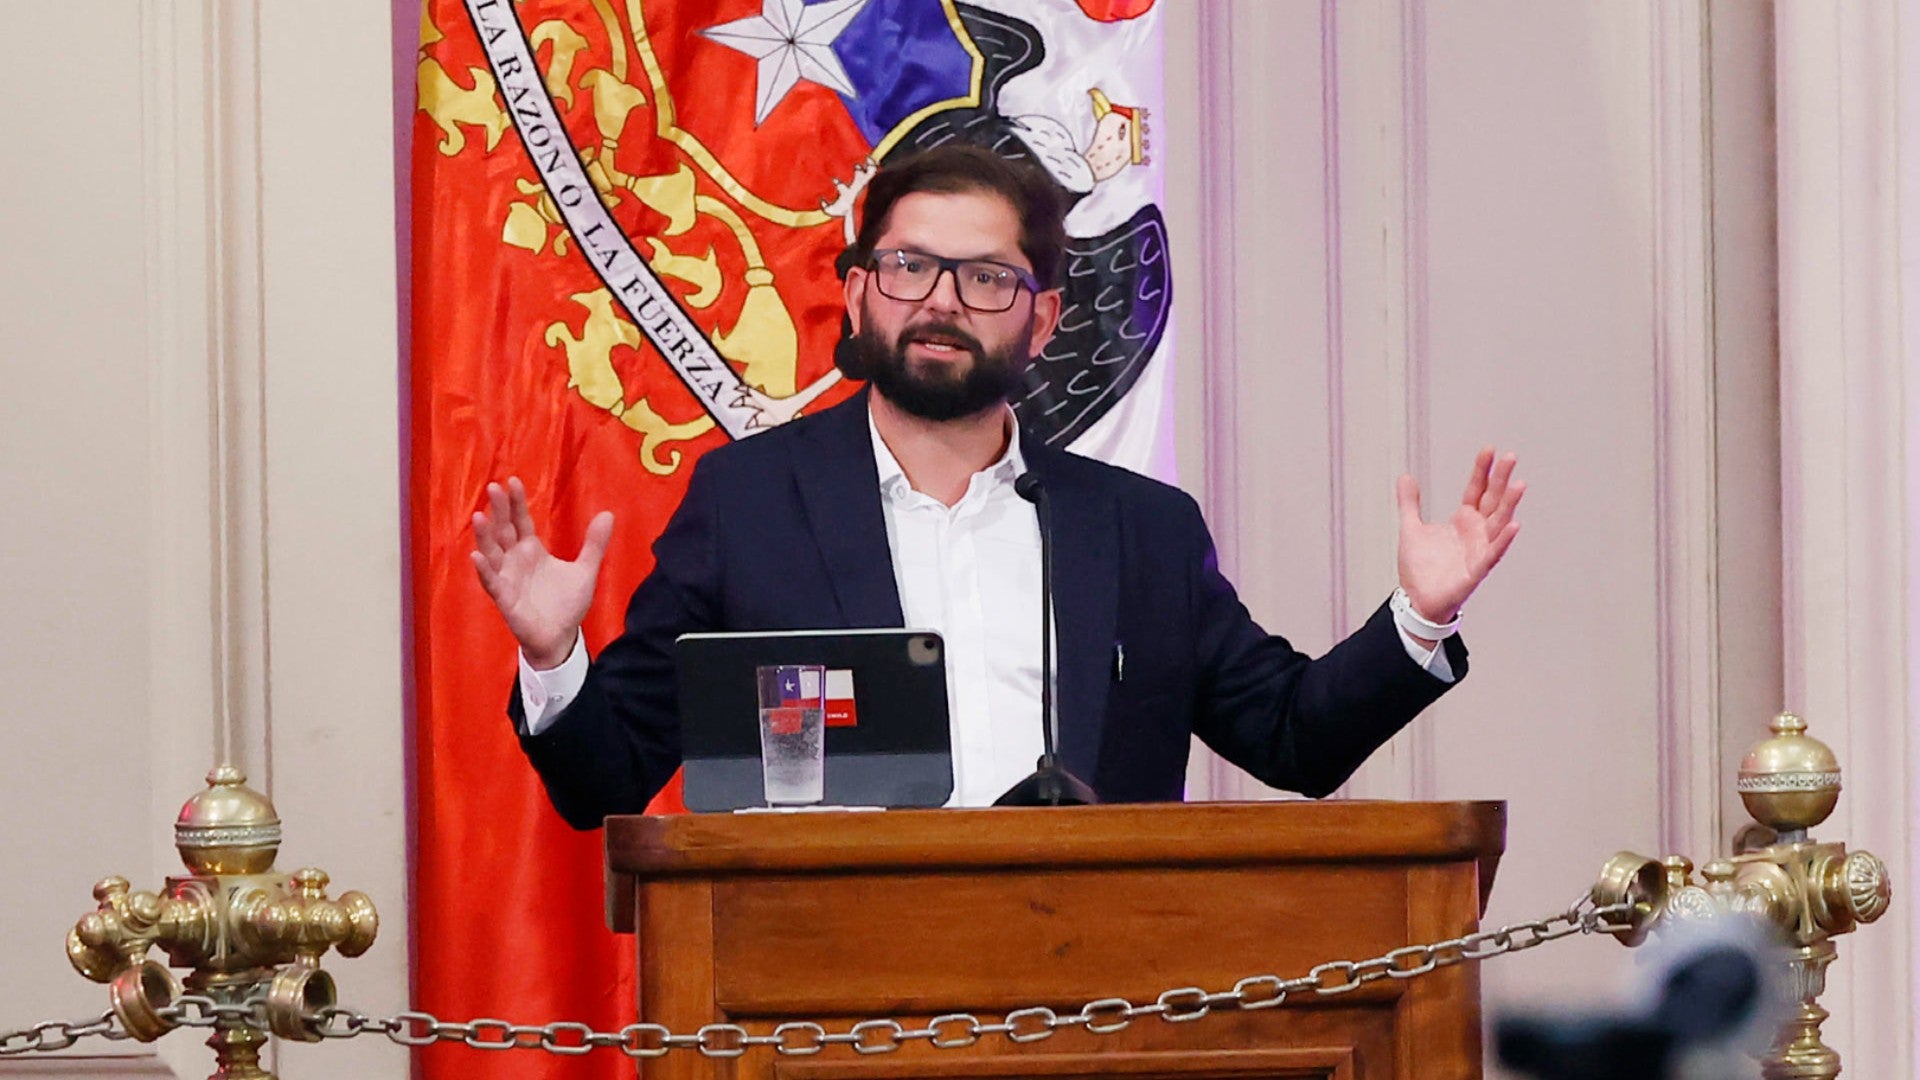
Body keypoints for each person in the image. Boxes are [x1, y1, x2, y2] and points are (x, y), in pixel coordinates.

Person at [471, 145, 1524, 830]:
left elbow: (1294, 739)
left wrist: (1419, 620)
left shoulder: (1140, 529)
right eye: (908, 268)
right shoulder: (748, 505)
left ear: (1043, 318)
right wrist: (552, 654)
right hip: (822, 1007)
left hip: (1093, 1004)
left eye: (984, 278)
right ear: (856, 293)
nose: (939, 303)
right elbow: (606, 783)